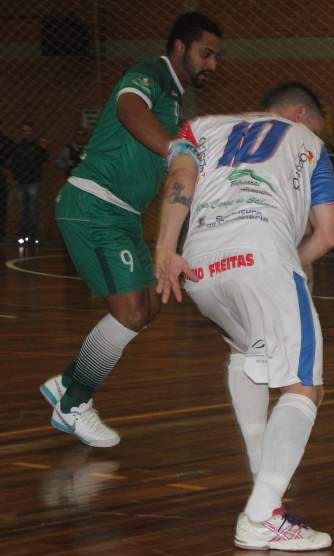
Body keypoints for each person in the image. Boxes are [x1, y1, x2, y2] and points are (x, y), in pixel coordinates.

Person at [154, 82, 334, 551]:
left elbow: (181, 179)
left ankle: (263, 470)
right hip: (262, 254)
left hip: (199, 264)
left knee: (243, 348)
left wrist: (164, 249)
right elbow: (329, 233)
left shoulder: (200, 127)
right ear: (300, 114)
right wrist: (290, 265)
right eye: (317, 123)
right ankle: (261, 515)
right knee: (304, 384)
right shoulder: (309, 143)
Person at [39, 12, 222, 448]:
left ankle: (67, 385)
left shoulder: (176, 100)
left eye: (216, 56)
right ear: (180, 48)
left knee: (148, 305)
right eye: (206, 53)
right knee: (132, 312)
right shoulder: (150, 72)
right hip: (94, 204)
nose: (213, 64)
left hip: (122, 216)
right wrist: (173, 146)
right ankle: (73, 402)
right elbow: (128, 109)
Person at [9, 121, 49, 244]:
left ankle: (33, 235)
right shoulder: (17, 147)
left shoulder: (36, 147)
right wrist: (16, 177)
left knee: (33, 210)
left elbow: (44, 159)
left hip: (33, 182)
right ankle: (23, 235)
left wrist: (44, 148)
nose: (26, 133)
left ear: (32, 133)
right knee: (23, 210)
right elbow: (13, 163)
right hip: (21, 182)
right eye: (24, 131)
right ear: (21, 133)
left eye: (28, 131)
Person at [0, 128, 14, 243]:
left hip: (2, 177)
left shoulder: (6, 142)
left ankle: (2, 233)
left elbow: (11, 160)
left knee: (2, 206)